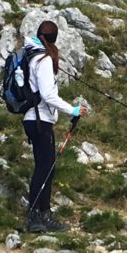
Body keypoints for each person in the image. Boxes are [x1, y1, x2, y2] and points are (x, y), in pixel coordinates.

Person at [21, 19, 82, 233]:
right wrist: (72, 110)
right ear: (55, 39)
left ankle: (42, 212)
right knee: (45, 168)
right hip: (41, 120)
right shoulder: (44, 59)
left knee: (46, 166)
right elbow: (48, 95)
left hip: (32, 118)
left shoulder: (32, 56)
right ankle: (36, 216)